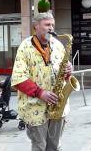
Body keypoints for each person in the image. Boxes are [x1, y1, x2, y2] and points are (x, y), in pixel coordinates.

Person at [11, 11, 72, 151]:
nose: (51, 28)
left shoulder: (58, 45)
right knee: (40, 146)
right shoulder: (25, 47)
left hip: (58, 105)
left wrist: (68, 71)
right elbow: (18, 78)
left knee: (55, 146)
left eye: (52, 25)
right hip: (35, 107)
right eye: (47, 25)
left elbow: (64, 73)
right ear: (36, 26)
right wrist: (40, 93)